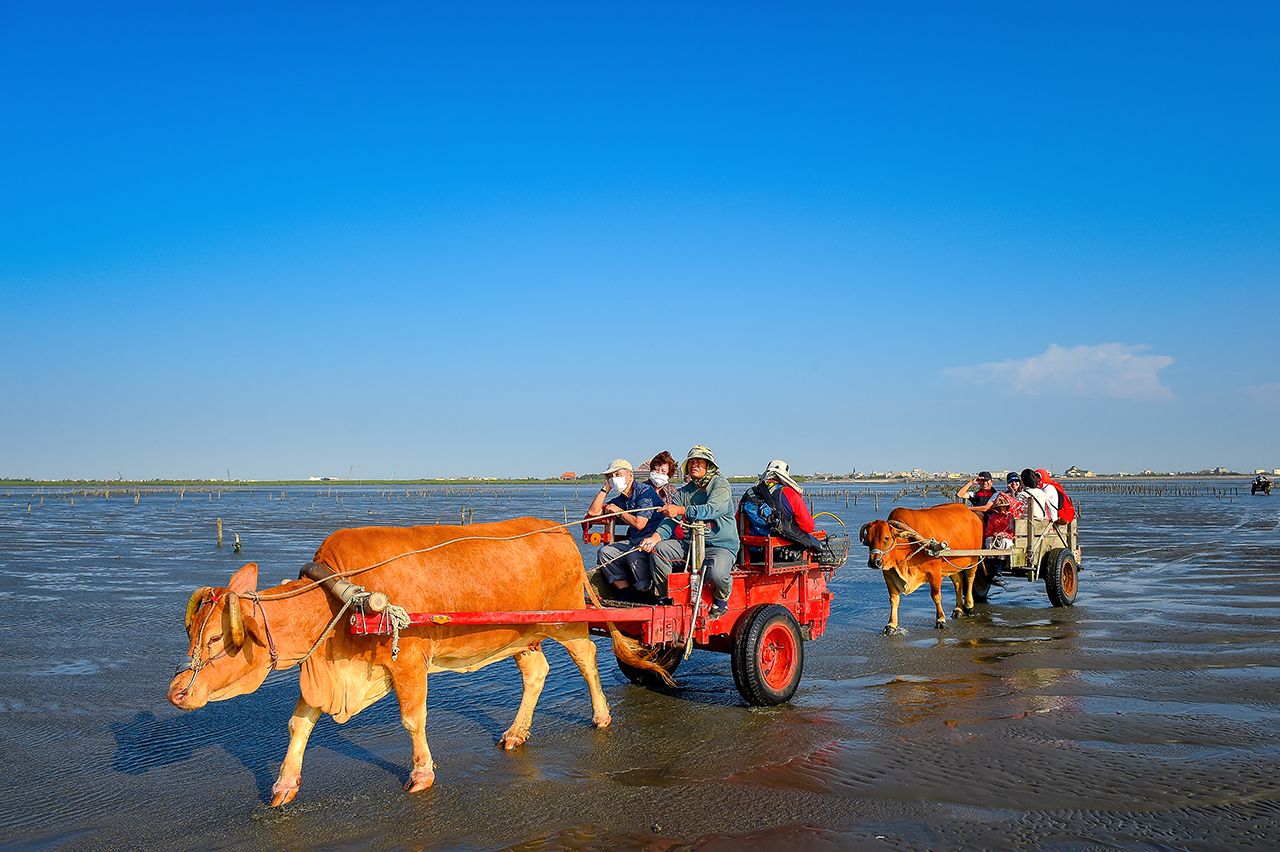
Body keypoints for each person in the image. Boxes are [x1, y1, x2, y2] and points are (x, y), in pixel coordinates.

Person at [639, 445, 740, 620]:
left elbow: (712, 510)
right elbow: (669, 522)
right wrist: (654, 538)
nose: (695, 465)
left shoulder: (720, 484)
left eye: (699, 462)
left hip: (720, 545)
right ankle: (666, 598)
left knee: (717, 574)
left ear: (709, 465)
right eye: (692, 462)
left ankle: (721, 600)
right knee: (658, 549)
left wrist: (681, 510)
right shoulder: (683, 492)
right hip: (691, 544)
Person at [584, 459, 665, 600]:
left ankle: (645, 593)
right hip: (635, 540)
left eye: (618, 474)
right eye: (610, 476)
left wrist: (619, 512)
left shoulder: (646, 492)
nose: (614, 478)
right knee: (605, 552)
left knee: (633, 554)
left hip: (654, 539)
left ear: (630, 476)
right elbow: (593, 512)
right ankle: (626, 592)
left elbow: (640, 524)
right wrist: (605, 489)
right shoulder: (621, 499)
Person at [739, 459, 823, 553]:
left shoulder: (749, 494)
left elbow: (737, 523)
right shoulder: (789, 493)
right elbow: (809, 527)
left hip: (750, 552)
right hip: (781, 552)